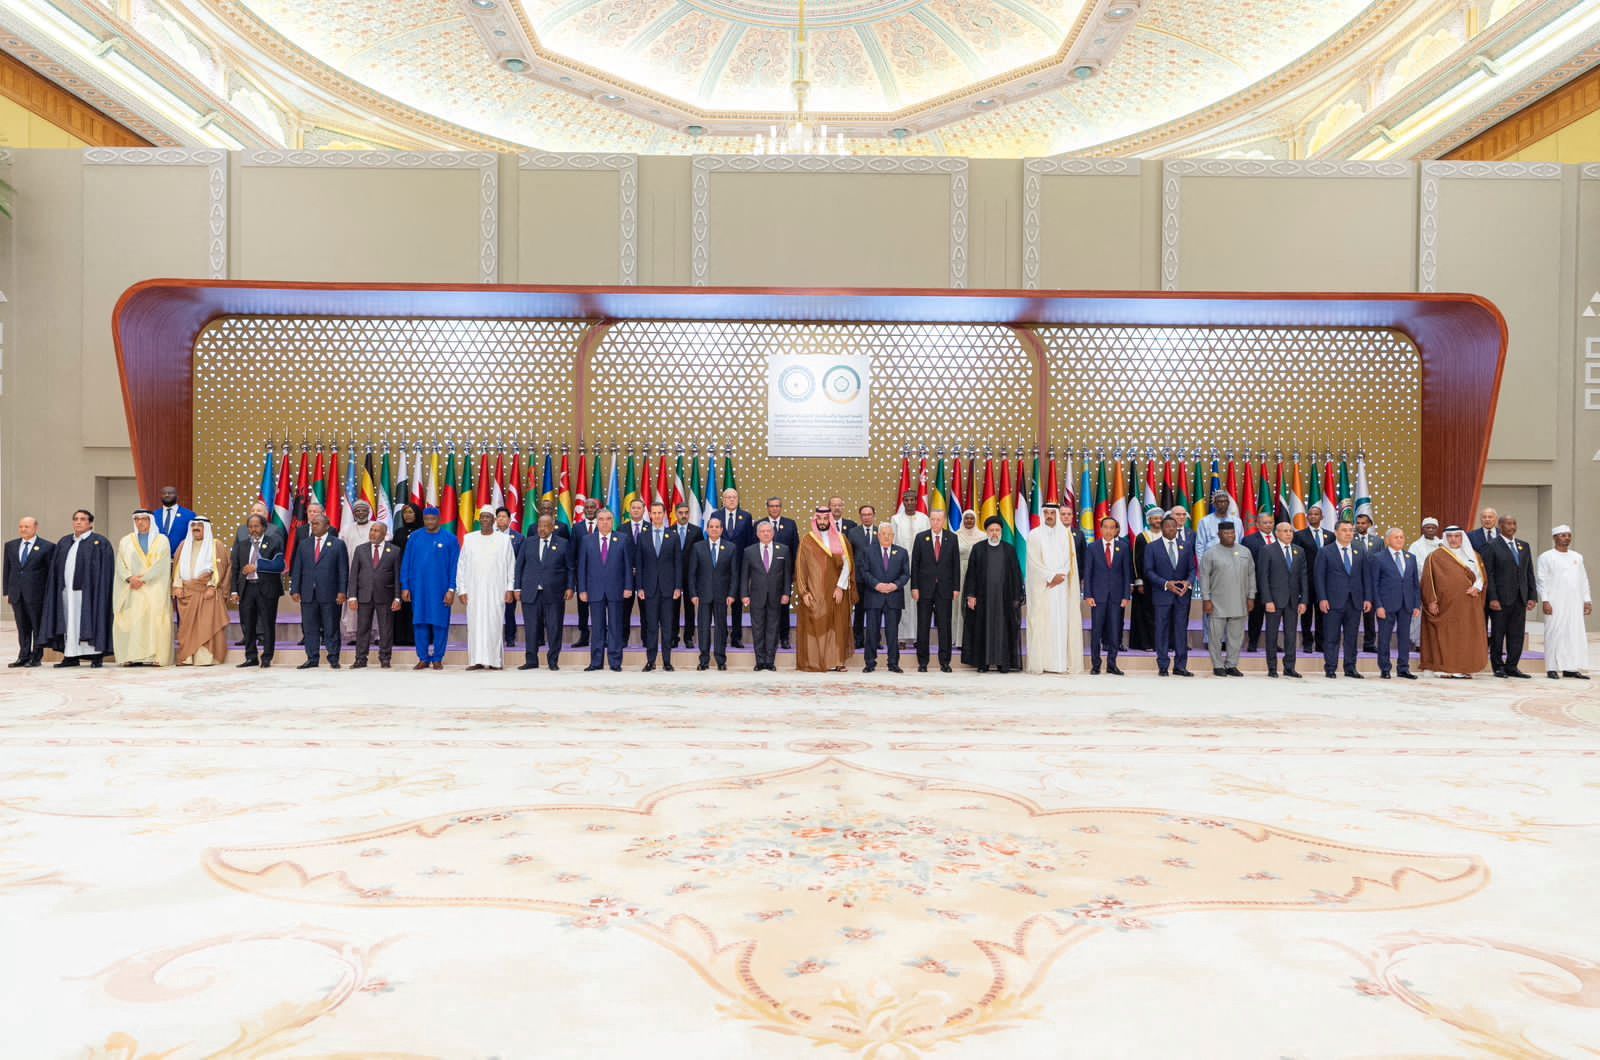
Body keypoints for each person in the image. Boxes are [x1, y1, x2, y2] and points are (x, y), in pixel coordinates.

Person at [41, 509, 114, 668]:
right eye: (76, 519)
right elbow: (55, 568)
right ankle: (70, 655)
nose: (78, 522)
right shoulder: (65, 542)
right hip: (67, 592)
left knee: (89, 620)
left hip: (90, 594)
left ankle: (95, 655)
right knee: (69, 623)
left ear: (90, 523)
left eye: (82, 519)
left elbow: (106, 572)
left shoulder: (100, 542)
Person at [1421, 527, 1489, 679]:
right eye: (1450, 536)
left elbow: (1481, 576)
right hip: (1446, 606)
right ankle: (1445, 669)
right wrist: (1432, 600)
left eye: (1457, 536)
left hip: (1468, 605)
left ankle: (1463, 667)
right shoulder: (1436, 556)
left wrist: (1477, 587)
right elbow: (1428, 580)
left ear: (1462, 537)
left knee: (1465, 635)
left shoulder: (1474, 555)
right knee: (1447, 636)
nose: (1453, 539)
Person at [794, 507, 856, 673]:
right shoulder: (807, 540)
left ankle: (838, 661)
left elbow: (847, 565)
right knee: (817, 624)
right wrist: (804, 591)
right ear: (815, 520)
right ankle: (816, 661)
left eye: (825, 519)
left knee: (838, 625)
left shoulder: (841, 539)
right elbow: (800, 567)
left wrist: (840, 587)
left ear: (830, 520)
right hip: (815, 591)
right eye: (819, 519)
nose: (822, 522)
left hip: (835, 591)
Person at [1024, 503, 1082, 675]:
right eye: (1046, 513)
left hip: (1061, 587)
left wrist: (1060, 575)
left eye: (1052, 513)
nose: (1049, 515)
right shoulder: (1034, 535)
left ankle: (1059, 664)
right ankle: (1042, 663)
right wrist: (1050, 577)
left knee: (1060, 623)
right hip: (1043, 588)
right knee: (1043, 623)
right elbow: (1033, 562)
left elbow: (1069, 561)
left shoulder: (1066, 535)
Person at [456, 506, 516, 672]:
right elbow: (462, 566)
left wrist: (509, 588)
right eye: (482, 517)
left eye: (488, 517)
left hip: (496, 590)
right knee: (475, 625)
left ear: (494, 520)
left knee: (494, 624)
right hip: (474, 591)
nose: (484, 520)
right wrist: (462, 589)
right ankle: (476, 660)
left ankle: (494, 660)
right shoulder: (469, 539)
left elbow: (511, 565)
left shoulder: (504, 540)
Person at [113, 509, 175, 667]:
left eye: (144, 519)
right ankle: (131, 656)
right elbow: (120, 563)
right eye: (137, 519)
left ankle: (155, 657)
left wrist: (144, 578)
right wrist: (130, 578)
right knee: (133, 622)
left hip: (154, 588)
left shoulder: (162, 540)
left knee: (154, 622)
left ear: (151, 521)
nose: (140, 522)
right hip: (132, 589)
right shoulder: (126, 541)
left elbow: (161, 565)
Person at [400, 506, 458, 671]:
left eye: (433, 519)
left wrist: (451, 589)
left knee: (440, 624)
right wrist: (405, 586)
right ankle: (423, 658)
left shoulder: (450, 539)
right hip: (419, 589)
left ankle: (438, 658)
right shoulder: (415, 537)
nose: (429, 522)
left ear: (439, 519)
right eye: (427, 519)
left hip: (441, 589)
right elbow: (406, 563)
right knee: (420, 622)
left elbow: (455, 566)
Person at [962, 515, 1023, 673]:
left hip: (1004, 598)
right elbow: (972, 575)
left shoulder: (1009, 549)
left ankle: (1003, 662)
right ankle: (984, 663)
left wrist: (1017, 596)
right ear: (986, 531)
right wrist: (971, 595)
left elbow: (1016, 574)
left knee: (1003, 628)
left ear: (1001, 531)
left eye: (997, 530)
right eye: (991, 530)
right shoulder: (978, 548)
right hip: (984, 598)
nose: (994, 533)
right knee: (983, 628)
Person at [1480, 513, 1537, 679]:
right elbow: (1488, 575)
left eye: (1514, 524)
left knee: (1517, 634)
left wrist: (1532, 596)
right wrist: (1493, 598)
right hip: (1500, 600)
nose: (1511, 527)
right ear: (1500, 526)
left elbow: (1529, 572)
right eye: (1507, 524)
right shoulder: (1492, 546)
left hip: (1520, 599)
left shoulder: (1524, 546)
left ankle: (1512, 666)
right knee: (1498, 634)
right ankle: (1498, 667)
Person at [291, 511, 348, 669]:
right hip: (308, 593)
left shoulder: (337, 544)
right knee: (310, 628)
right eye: (312, 524)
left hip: (330, 593)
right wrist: (295, 589)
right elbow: (297, 568)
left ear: (327, 526)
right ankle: (312, 658)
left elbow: (343, 570)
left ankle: (333, 657)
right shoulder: (304, 544)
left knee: (331, 627)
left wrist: (342, 591)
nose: (313, 526)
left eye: (317, 523)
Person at [516, 514, 573, 671]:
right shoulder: (528, 543)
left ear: (552, 526)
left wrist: (570, 587)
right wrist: (517, 588)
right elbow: (519, 566)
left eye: (546, 526)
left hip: (554, 593)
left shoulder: (563, 543)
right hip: (530, 592)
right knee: (531, 627)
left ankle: (553, 660)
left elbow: (570, 568)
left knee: (554, 627)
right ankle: (531, 660)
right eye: (540, 525)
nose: (542, 528)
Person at [578, 508, 632, 672]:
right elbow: (582, 567)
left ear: (612, 521)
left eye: (608, 519)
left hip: (616, 589)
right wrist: (582, 589)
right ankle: (596, 662)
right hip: (594, 590)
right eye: (601, 519)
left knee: (616, 627)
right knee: (597, 627)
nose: (604, 522)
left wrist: (628, 586)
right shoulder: (587, 540)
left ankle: (615, 662)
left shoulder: (622, 539)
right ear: (597, 521)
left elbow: (628, 566)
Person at [172, 517, 231, 666]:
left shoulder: (215, 545)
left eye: (199, 525)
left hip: (207, 593)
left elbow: (222, 568)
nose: (196, 528)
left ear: (207, 528)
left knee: (205, 626)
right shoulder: (183, 545)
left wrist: (212, 586)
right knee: (187, 627)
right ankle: (188, 657)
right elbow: (176, 569)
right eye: (193, 525)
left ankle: (205, 658)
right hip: (186, 593)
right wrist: (177, 586)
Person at [1199, 521, 1254, 677]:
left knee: (1236, 637)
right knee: (1215, 637)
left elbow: (1251, 575)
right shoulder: (1211, 553)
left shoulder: (1245, 551)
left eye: (1232, 533)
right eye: (1226, 533)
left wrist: (1251, 596)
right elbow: (1204, 578)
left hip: (1240, 601)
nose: (1230, 536)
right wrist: (1206, 599)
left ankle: (1231, 664)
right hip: (1217, 603)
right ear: (1219, 534)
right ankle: (1217, 665)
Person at [230, 513, 285, 668]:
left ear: (264, 527)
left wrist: (257, 566)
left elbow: (279, 565)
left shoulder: (274, 542)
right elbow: (235, 569)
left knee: (267, 624)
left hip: (267, 590)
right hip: (247, 589)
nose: (253, 529)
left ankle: (266, 657)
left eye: (256, 526)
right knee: (247, 624)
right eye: (251, 527)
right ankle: (251, 657)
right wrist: (234, 591)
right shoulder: (242, 544)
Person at [1143, 514, 1196, 677]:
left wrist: (1188, 582)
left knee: (1181, 630)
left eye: (1174, 527)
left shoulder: (1186, 545)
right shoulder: (1152, 547)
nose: (1171, 529)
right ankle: (1163, 665)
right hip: (1162, 595)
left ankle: (1180, 666)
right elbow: (1148, 571)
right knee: (1162, 631)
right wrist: (1166, 584)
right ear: (1162, 528)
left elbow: (1192, 569)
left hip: (1181, 596)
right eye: (1168, 526)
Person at [1536, 525, 1591, 679]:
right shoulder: (1546, 556)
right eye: (1562, 535)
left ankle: (1571, 668)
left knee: (1573, 633)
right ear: (1555, 538)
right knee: (1554, 633)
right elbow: (1541, 581)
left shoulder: (1577, 557)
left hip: (1575, 602)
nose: (1566, 538)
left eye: (1568, 535)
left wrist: (1586, 600)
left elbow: (1583, 579)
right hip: (1555, 602)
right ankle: (1552, 668)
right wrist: (1545, 600)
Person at [1316, 521, 1369, 679]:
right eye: (1344, 530)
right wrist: (1322, 598)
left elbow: (1366, 576)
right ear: (1336, 532)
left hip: (1355, 601)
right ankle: (1330, 667)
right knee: (1331, 636)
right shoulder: (1325, 551)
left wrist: (1367, 598)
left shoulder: (1360, 550)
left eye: (1351, 530)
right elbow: (1319, 577)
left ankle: (1350, 667)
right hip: (1332, 601)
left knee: (1352, 636)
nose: (1348, 533)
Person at [910, 508, 961, 673]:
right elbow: (915, 565)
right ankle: (923, 662)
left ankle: (945, 662)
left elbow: (956, 565)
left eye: (938, 519)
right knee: (923, 626)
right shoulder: (920, 538)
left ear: (944, 520)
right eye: (933, 519)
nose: (935, 522)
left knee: (944, 627)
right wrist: (914, 587)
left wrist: (956, 588)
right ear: (930, 520)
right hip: (924, 590)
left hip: (945, 590)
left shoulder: (952, 538)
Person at [1367, 526, 1421, 680]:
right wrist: (1378, 606)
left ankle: (1403, 668)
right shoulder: (1378, 558)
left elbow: (1415, 583)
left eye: (1402, 537)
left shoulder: (1411, 557)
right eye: (1396, 537)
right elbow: (1374, 584)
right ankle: (1385, 668)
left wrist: (1416, 604)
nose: (1400, 539)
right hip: (1386, 604)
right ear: (1387, 540)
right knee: (1384, 638)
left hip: (1406, 604)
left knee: (1404, 638)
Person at [635, 500, 683, 672]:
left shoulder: (674, 536)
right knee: (651, 626)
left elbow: (678, 564)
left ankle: (667, 661)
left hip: (669, 589)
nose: (656, 516)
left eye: (659, 513)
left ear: (664, 514)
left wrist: (678, 587)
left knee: (668, 626)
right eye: (653, 513)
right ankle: (651, 661)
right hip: (649, 589)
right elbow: (639, 565)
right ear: (650, 515)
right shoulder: (643, 536)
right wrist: (639, 587)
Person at [1256, 522, 1307, 678]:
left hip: (1293, 601)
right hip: (1274, 601)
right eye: (1285, 531)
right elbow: (1262, 577)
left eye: (1290, 531)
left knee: (1291, 635)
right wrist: (1267, 600)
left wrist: (1304, 600)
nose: (1289, 534)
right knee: (1272, 635)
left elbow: (1303, 577)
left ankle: (1289, 667)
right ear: (1277, 533)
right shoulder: (1267, 550)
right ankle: (1272, 667)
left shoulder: (1299, 551)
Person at [347, 519, 401, 669]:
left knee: (386, 629)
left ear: (384, 534)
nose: (372, 533)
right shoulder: (360, 549)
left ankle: (385, 658)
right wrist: (352, 596)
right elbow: (353, 575)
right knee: (363, 628)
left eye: (376, 531)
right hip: (364, 595)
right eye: (371, 530)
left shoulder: (394, 551)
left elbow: (397, 576)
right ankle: (360, 659)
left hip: (386, 596)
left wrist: (397, 597)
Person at [1081, 514, 1130, 675]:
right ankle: (1096, 664)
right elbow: (1088, 573)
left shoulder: (1123, 547)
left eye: (1112, 528)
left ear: (1116, 530)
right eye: (1106, 527)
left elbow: (1126, 573)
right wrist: (1088, 594)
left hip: (1116, 597)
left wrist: (1126, 596)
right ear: (1101, 529)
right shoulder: (1092, 547)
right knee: (1096, 631)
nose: (1108, 531)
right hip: (1098, 597)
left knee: (1115, 630)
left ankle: (1112, 663)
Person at [687, 514, 738, 670]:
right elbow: (692, 573)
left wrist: (731, 594)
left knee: (721, 628)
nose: (714, 529)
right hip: (703, 595)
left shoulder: (730, 547)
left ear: (721, 530)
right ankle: (703, 660)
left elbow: (734, 574)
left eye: (717, 527)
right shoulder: (698, 547)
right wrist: (693, 594)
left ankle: (721, 660)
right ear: (707, 529)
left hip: (722, 595)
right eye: (711, 527)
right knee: (703, 627)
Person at [859, 522, 910, 673]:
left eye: (890, 534)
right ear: (878, 535)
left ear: (893, 536)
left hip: (894, 597)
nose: (887, 537)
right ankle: (870, 662)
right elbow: (864, 571)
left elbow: (906, 574)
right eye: (884, 534)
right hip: (874, 596)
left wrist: (894, 585)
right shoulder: (868, 551)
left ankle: (893, 663)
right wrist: (877, 585)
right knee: (872, 632)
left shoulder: (902, 552)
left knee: (892, 632)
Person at [741, 518, 790, 671]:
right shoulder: (749, 551)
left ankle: (770, 661)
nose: (766, 533)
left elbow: (787, 575)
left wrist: (786, 593)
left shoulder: (783, 550)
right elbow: (744, 576)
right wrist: (744, 595)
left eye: (769, 531)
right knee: (758, 629)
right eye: (763, 531)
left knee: (773, 628)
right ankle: (760, 661)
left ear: (773, 533)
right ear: (757, 534)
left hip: (776, 596)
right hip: (756, 597)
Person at [5, 516, 53, 667]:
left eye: (27, 527)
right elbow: (7, 570)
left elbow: (50, 573)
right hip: (17, 593)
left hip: (36, 594)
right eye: (21, 527)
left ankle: (36, 656)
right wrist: (7, 591)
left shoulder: (47, 546)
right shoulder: (11, 545)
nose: (23, 529)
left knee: (36, 626)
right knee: (22, 626)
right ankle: (23, 655)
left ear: (35, 528)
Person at [338, 500, 381, 647]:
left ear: (369, 512)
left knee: (374, 602)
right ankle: (354, 635)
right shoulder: (346, 529)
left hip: (374, 573)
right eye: (357, 511)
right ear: (354, 513)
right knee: (353, 603)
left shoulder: (376, 527)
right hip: (352, 571)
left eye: (364, 510)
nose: (361, 513)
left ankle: (375, 634)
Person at [890, 491, 930, 645]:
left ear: (916, 501)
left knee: (918, 600)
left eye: (913, 499)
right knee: (903, 601)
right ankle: (901, 637)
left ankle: (918, 637)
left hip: (921, 565)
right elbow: (892, 541)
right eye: (907, 500)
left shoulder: (924, 518)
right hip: (901, 564)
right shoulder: (896, 519)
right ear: (903, 501)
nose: (910, 502)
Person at [716, 489, 754, 648]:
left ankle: (736, 636)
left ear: (738, 499)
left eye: (734, 497)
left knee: (738, 604)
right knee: (721, 604)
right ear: (723, 500)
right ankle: (722, 635)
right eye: (728, 497)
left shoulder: (746, 517)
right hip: (721, 568)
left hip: (739, 568)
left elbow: (750, 542)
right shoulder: (715, 516)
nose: (731, 500)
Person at [1294, 507, 1334, 653]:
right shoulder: (1299, 535)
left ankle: (1320, 643)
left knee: (1322, 613)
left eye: (1316, 514)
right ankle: (1307, 643)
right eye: (1310, 514)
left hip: (1324, 581)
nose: (1313, 516)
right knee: (1306, 613)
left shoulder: (1330, 536)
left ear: (1322, 516)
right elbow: (1297, 558)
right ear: (1306, 517)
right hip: (1307, 580)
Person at [764, 498, 800, 649]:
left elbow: (795, 549)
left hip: (784, 574)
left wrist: (794, 573)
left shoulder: (790, 524)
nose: (774, 509)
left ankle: (784, 638)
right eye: (771, 506)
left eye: (777, 506)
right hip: (765, 574)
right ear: (767, 508)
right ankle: (767, 638)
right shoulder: (760, 524)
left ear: (781, 508)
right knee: (765, 607)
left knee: (784, 606)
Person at [1128, 506, 1163, 652]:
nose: (1158, 521)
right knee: (1146, 613)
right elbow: (1136, 560)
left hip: (1162, 582)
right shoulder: (1142, 537)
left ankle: (1161, 642)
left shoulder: (1167, 535)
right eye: (1155, 518)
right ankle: (1146, 643)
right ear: (1149, 520)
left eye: (1160, 518)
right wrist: (1139, 581)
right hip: (1146, 583)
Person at [669, 503, 703, 650]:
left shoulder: (696, 531)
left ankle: (689, 637)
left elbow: (701, 553)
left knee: (690, 608)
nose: (683, 515)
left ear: (689, 514)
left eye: (686, 513)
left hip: (691, 576)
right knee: (673, 608)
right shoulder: (669, 531)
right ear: (676, 514)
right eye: (680, 512)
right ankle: (673, 637)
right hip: (673, 575)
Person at [1241, 511, 1276, 651]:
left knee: (1274, 618)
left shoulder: (1279, 538)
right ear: (1257, 524)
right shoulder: (1249, 540)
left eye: (1271, 522)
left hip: (1276, 586)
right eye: (1265, 523)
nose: (1268, 525)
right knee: (1256, 617)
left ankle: (1272, 644)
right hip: (1256, 585)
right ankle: (1253, 643)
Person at [1408, 517, 1444, 646]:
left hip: (1440, 587)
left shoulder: (1442, 544)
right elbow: (1414, 566)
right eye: (1427, 527)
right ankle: (1418, 642)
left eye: (1433, 527)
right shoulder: (1415, 546)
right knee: (1420, 615)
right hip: (1421, 585)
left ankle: (1436, 642)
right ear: (1423, 529)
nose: (1430, 530)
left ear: (1437, 529)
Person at [389, 503, 420, 647]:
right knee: (402, 605)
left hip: (419, 576)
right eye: (405, 513)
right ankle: (401, 637)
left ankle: (416, 637)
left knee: (416, 607)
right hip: (402, 573)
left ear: (417, 514)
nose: (407, 515)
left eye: (410, 512)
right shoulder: (399, 532)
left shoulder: (423, 531)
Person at [953, 509, 985, 649]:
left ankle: (975, 639)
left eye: (972, 518)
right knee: (959, 605)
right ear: (963, 520)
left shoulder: (983, 536)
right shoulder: (955, 536)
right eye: (966, 518)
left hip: (978, 573)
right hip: (959, 572)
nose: (969, 521)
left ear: (976, 520)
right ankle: (959, 639)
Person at [845, 505, 875, 649]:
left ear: (874, 515)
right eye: (864, 515)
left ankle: (875, 640)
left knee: (874, 611)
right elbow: (848, 556)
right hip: (859, 579)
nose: (867, 517)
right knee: (859, 610)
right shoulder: (853, 533)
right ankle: (858, 639)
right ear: (860, 516)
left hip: (876, 579)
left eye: (869, 514)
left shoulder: (880, 532)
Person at [620, 498, 648, 648]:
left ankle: (646, 640)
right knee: (624, 611)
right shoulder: (621, 529)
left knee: (646, 611)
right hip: (626, 577)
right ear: (630, 510)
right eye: (633, 508)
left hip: (646, 577)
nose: (636, 510)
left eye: (639, 508)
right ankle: (623, 639)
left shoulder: (650, 528)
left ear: (644, 510)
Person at [496, 507, 523, 648]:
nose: (501, 519)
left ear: (509, 519)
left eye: (504, 516)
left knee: (509, 612)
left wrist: (516, 585)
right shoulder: (490, 536)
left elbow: (520, 563)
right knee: (493, 612)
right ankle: (494, 638)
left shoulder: (518, 538)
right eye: (499, 516)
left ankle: (510, 638)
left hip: (509, 581)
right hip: (493, 582)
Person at [153, 485, 195, 555]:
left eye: (170, 493)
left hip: (181, 557)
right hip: (158, 557)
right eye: (164, 493)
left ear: (177, 496)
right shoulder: (153, 515)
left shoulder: (189, 515)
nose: (167, 495)